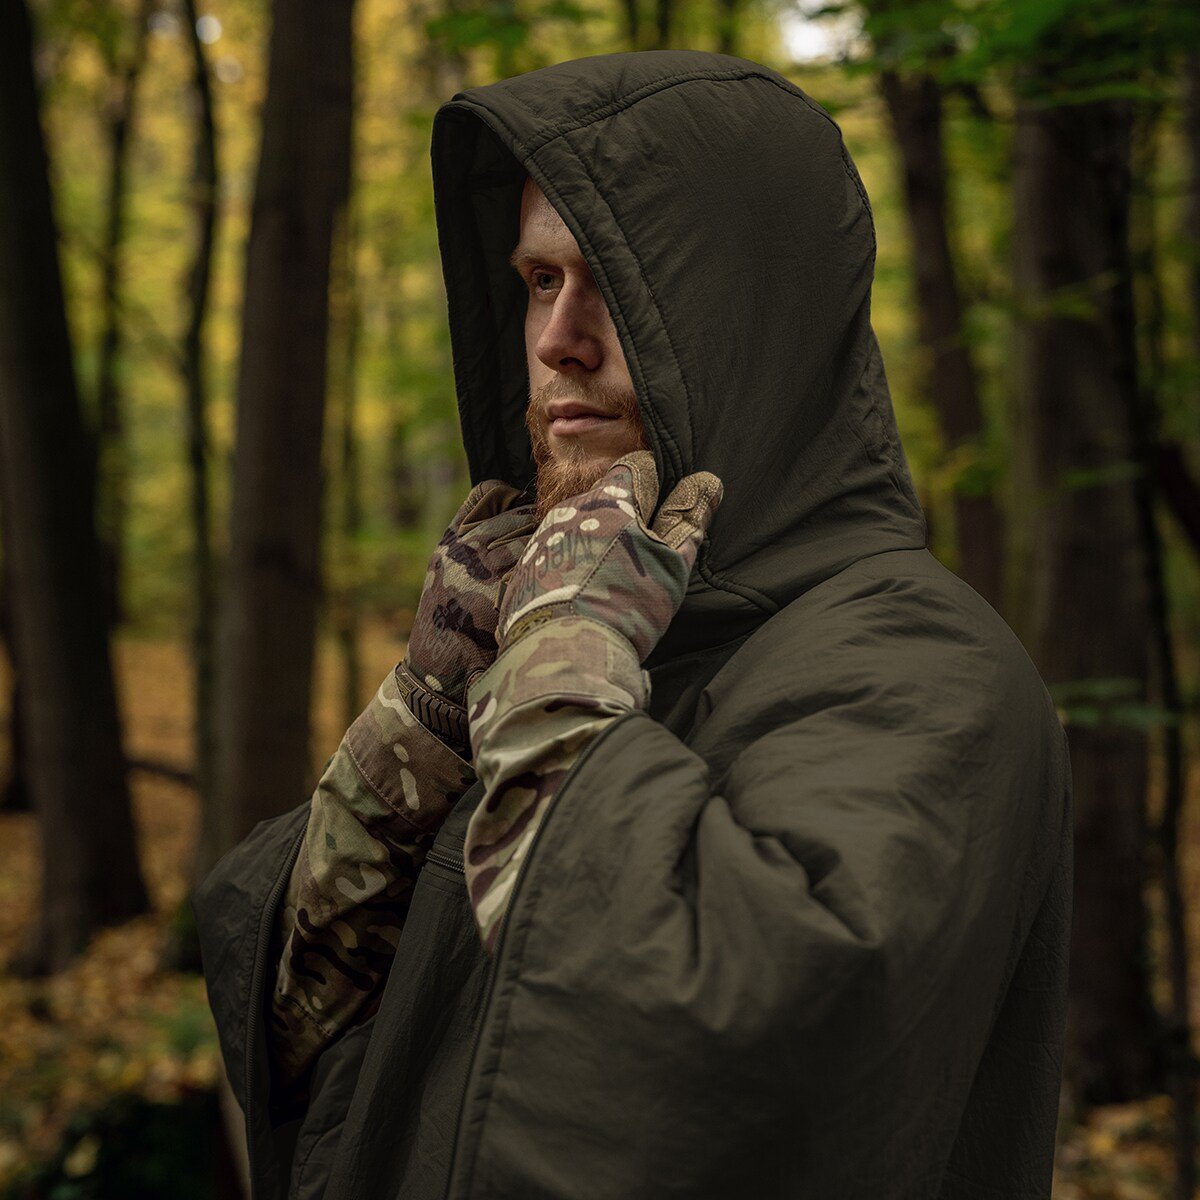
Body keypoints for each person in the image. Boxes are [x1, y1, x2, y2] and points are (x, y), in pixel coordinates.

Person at [193, 48, 1073, 1200]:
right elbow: (301, 1038)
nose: (558, 338)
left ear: (757, 319)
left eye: (610, 280)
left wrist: (560, 667)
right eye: (537, 280)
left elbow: (732, 1061)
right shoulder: (550, 643)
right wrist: (422, 730)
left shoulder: (929, 670)